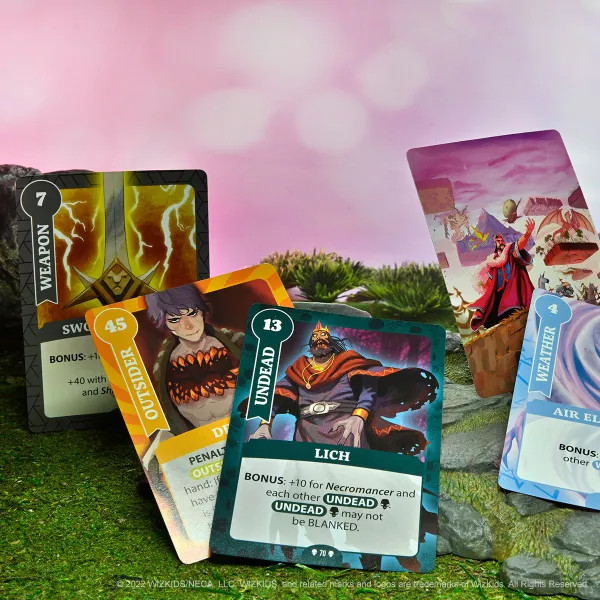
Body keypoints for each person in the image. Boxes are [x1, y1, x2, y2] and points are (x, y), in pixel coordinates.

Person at [249, 322, 437, 453]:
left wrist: (359, 416)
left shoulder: (348, 363)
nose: (319, 339)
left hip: (345, 427)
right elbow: (275, 396)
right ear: (311, 345)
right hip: (306, 432)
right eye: (315, 338)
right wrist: (265, 425)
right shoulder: (299, 369)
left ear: (331, 343)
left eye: (324, 337)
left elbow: (369, 385)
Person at [469, 218, 536, 331]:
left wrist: (528, 233)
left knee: (513, 308)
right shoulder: (493, 260)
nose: (500, 242)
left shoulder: (510, 250)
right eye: (498, 240)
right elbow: (490, 280)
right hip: (499, 290)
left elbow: (520, 244)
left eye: (501, 240)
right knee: (492, 316)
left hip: (513, 287)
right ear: (495, 243)